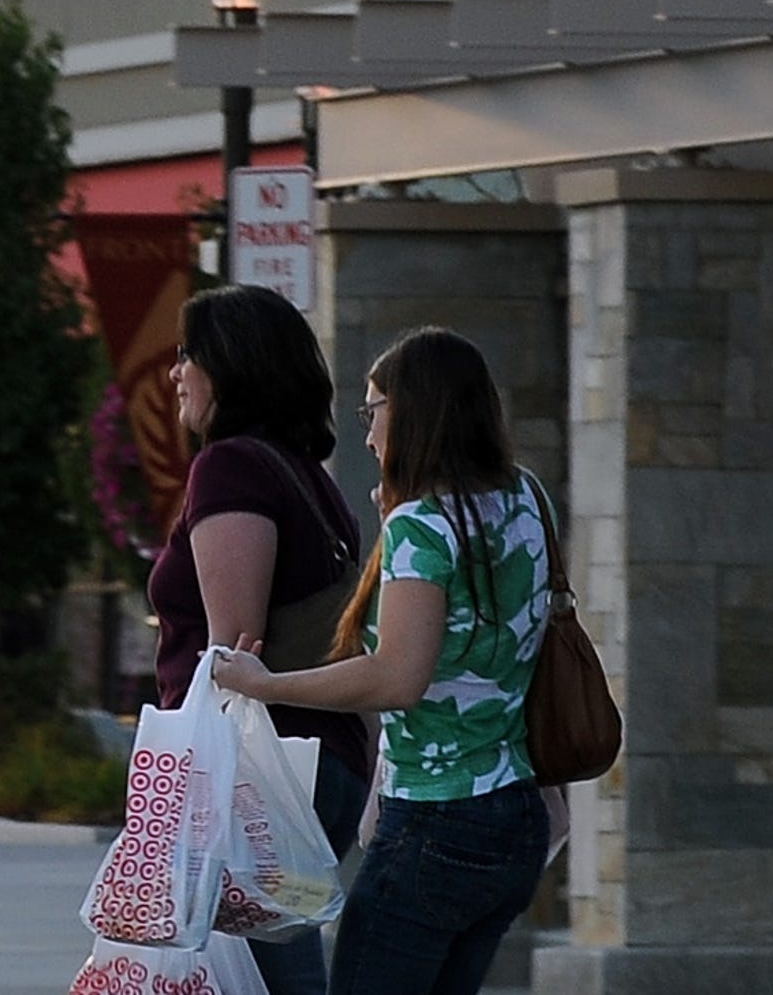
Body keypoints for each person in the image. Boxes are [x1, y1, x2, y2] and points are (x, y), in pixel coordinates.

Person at [213, 327, 556, 995]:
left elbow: (398, 676)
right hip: (513, 813)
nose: (368, 435)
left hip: (436, 822)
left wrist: (267, 683)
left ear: (417, 411)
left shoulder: (422, 526)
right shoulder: (525, 499)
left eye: (375, 411)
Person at [150, 285, 373, 995]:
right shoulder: (306, 475)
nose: (175, 372)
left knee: (277, 976)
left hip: (264, 774)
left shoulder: (232, 468)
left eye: (188, 355)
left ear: (230, 364)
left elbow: (231, 650)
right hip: (316, 763)